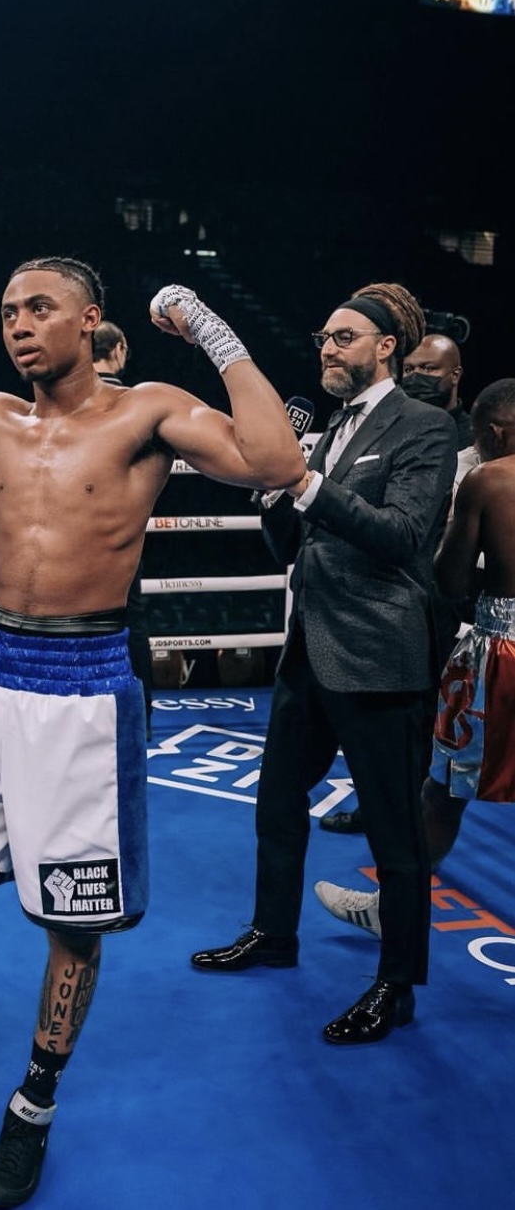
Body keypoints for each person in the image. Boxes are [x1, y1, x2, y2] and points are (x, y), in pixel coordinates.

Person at [0, 213, 305, 1209]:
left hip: (82, 688)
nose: (18, 325)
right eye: (9, 310)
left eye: (40, 307)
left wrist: (208, 330)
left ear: (87, 319)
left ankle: (33, 1106)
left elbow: (273, 462)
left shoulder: (147, 411)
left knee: (73, 923)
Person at [190, 284, 458, 1047]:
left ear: (384, 347)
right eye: (322, 335)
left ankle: (396, 984)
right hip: (309, 647)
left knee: (392, 834)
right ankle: (273, 931)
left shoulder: (425, 427)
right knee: (276, 799)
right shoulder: (330, 428)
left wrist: (306, 482)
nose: (326, 348)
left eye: (343, 337)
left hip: (379, 654)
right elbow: (298, 548)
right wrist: (275, 495)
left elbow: (403, 535)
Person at [314, 378, 515, 934]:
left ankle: (390, 912)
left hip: (504, 649)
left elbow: (448, 579)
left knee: (445, 787)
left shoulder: (488, 479)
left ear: (494, 433)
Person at [321, 328, 475, 834]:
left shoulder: (481, 437)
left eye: (431, 370)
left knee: (432, 718)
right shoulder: (396, 427)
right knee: (384, 717)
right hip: (397, 586)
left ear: (455, 375)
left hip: (457, 591)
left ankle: (412, 821)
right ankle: (381, 808)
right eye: (413, 369)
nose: (419, 377)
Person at [93, 320, 154, 738]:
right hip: (124, 538)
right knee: (130, 623)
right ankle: (137, 723)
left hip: (62, 541)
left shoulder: (54, 403)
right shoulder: (141, 407)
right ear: (120, 349)